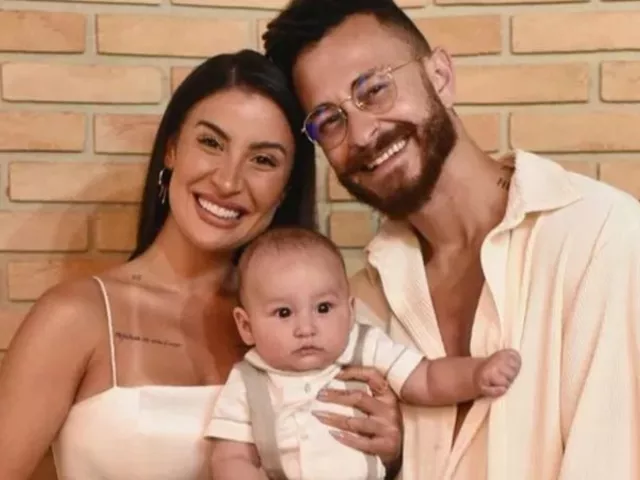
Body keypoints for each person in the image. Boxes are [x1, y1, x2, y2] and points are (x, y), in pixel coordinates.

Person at [262, 1, 640, 479]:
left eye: (374, 89)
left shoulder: (600, 237)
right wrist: (389, 459)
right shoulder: (357, 302)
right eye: (329, 120)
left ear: (440, 75)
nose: (361, 133)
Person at [0, 50, 402, 480]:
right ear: (172, 149)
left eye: (263, 160)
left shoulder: (318, 322)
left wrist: (391, 452)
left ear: (286, 188)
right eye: (211, 143)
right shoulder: (76, 317)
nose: (228, 181)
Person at [206, 227, 521, 480]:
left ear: (350, 311)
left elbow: (425, 378)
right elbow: (230, 457)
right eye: (284, 313)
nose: (306, 328)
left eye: (323, 308)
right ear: (246, 326)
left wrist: (476, 374)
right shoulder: (247, 381)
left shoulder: (364, 346)